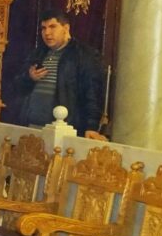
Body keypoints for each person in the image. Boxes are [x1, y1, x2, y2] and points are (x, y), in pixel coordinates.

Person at [11, 9, 107, 139]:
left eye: (52, 27)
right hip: (31, 128)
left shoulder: (83, 55)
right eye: (43, 28)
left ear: (66, 28)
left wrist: (91, 126)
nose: (47, 33)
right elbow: (17, 87)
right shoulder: (38, 53)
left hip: (63, 130)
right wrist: (29, 77)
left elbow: (93, 92)